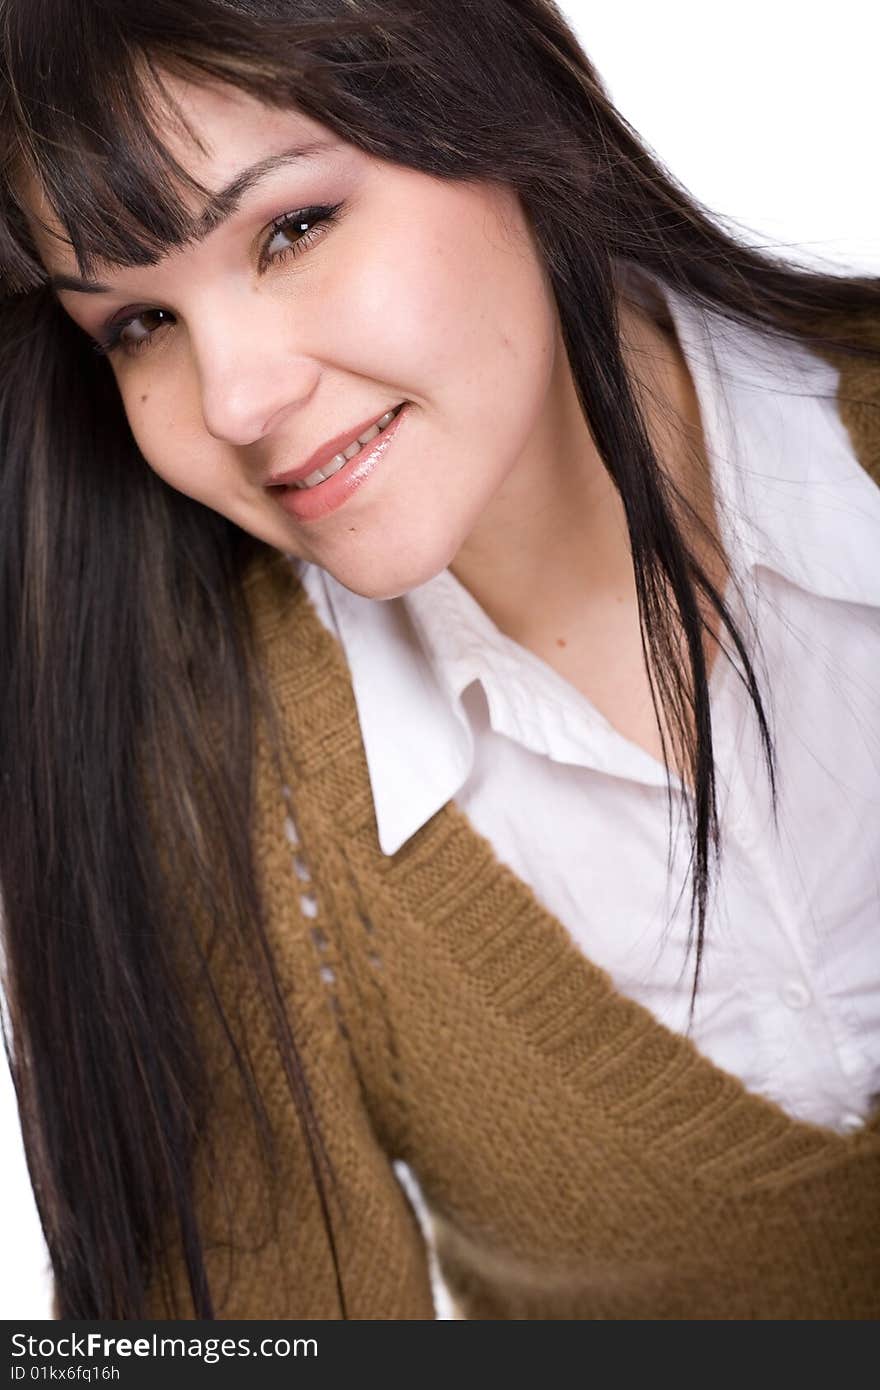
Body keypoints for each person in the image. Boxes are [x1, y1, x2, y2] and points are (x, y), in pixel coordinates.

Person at [0, 0, 878, 1321]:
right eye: (137, 326)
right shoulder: (223, 810)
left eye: (290, 229)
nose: (233, 399)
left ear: (503, 107)